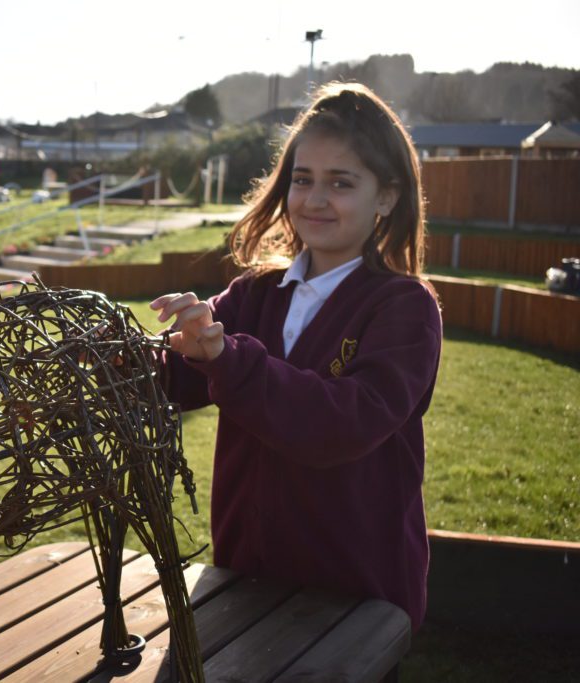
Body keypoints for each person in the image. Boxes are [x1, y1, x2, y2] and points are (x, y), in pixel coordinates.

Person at [150, 82, 441, 630]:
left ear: (387, 196)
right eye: (302, 180)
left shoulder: (405, 308)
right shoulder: (255, 293)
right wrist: (108, 355)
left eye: (341, 183)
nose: (314, 199)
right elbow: (172, 378)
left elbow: (339, 425)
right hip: (245, 579)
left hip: (356, 598)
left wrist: (227, 359)